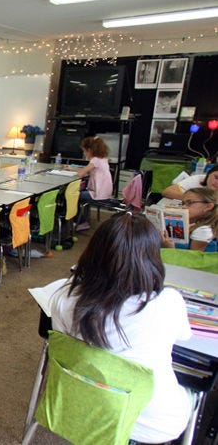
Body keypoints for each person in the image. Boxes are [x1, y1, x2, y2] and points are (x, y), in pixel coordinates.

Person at [50, 213, 193, 443]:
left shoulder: (63, 298)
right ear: (152, 259)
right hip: (154, 424)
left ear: (92, 252)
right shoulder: (169, 302)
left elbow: (69, 347)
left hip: (81, 403)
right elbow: (184, 337)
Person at [66, 136, 113, 230]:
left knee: (73, 196)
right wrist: (72, 168)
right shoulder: (102, 159)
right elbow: (86, 170)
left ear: (90, 150)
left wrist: (74, 170)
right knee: (79, 195)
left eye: (84, 151)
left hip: (98, 194)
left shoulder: (95, 160)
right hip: (105, 193)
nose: (84, 153)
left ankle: (81, 222)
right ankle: (80, 218)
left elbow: (81, 173)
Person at [162, 187, 217, 251]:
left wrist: (170, 248)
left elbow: (193, 259)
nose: (183, 206)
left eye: (190, 202)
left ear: (208, 206)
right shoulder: (193, 223)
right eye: (183, 203)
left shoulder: (203, 230)